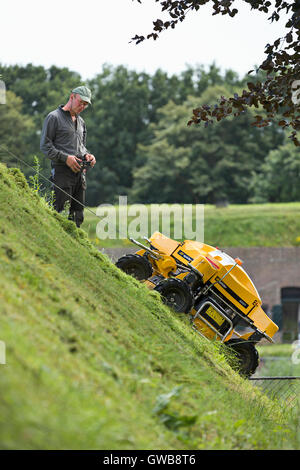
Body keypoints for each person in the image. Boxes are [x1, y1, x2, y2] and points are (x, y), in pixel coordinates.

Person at [40, 86, 96, 227]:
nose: (82, 106)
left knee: (78, 217)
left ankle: (75, 248)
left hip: (80, 175)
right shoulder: (53, 117)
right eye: (81, 102)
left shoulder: (81, 122)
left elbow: (81, 147)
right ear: (72, 97)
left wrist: (88, 156)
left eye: (85, 104)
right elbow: (45, 146)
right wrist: (66, 158)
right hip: (62, 174)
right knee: (61, 215)